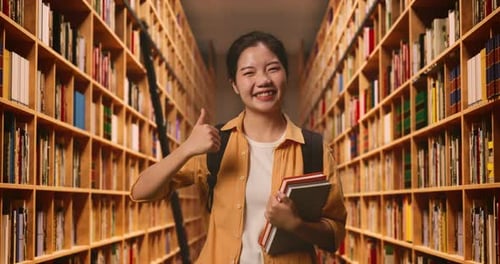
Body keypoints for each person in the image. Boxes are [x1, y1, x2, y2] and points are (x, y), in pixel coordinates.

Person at [130, 31, 346, 264]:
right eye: (249, 73)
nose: (263, 80)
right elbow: (140, 192)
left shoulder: (314, 149)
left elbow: (334, 235)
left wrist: (297, 225)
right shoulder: (216, 146)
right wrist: (186, 149)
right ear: (234, 85)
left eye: (273, 68)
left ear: (286, 74)